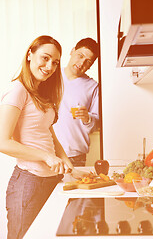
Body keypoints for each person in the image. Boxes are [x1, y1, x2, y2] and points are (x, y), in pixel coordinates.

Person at [0, 35, 85, 239]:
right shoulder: (17, 90)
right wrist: (46, 156)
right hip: (28, 183)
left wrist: (65, 159)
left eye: (55, 62)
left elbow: (48, 132)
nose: (49, 66)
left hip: (50, 180)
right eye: (45, 58)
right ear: (30, 54)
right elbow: (3, 142)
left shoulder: (39, 93)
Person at [53, 37, 99, 166]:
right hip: (47, 153)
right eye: (80, 55)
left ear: (91, 65)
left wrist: (87, 118)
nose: (81, 63)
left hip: (75, 156)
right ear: (72, 51)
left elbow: (96, 124)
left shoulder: (93, 87)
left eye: (88, 61)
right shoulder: (50, 74)